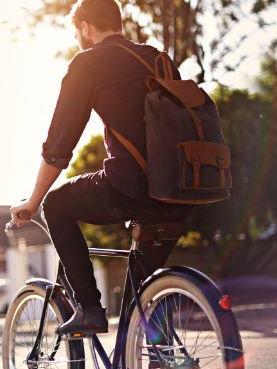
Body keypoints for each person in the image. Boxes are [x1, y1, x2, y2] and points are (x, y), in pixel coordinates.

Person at [10, 0, 194, 335]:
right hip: (182, 189)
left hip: (134, 187)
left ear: (84, 26)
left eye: (75, 31)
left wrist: (34, 200)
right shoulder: (156, 57)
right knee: (141, 300)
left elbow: (58, 148)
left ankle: (89, 310)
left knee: (57, 205)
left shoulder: (88, 63)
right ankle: (158, 358)